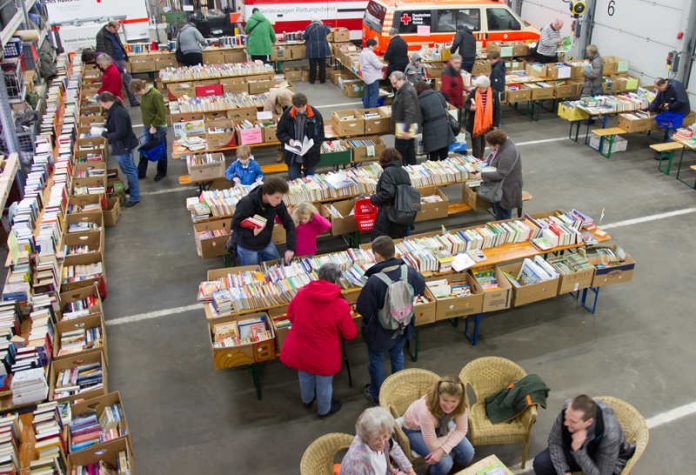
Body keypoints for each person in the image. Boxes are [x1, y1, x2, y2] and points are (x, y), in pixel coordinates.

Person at [279, 263, 357, 418]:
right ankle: (324, 410)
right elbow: (350, 333)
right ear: (336, 281)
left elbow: (291, 314)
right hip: (324, 352)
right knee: (324, 383)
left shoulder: (301, 294)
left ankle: (307, 400)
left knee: (304, 375)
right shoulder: (339, 304)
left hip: (301, 346)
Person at [356, 235, 425, 404]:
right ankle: (398, 389)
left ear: (377, 256)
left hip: (380, 330)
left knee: (377, 361)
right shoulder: (407, 271)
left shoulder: (374, 281)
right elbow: (420, 287)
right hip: (403, 324)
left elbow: (363, 308)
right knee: (397, 355)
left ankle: (377, 394)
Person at [533, 394, 636, 475]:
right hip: (579, 446)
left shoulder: (610, 436)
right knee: (541, 463)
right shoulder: (568, 411)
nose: (566, 423)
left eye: (573, 422)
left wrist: (579, 451)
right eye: (567, 418)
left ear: (588, 422)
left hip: (605, 460)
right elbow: (554, 441)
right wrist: (564, 471)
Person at [402, 376, 475, 475]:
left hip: (440, 425)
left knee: (468, 452)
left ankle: (452, 472)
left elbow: (461, 430)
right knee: (445, 463)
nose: (449, 405)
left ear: (460, 400)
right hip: (415, 430)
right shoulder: (425, 411)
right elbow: (434, 445)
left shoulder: (462, 405)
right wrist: (452, 433)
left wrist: (443, 450)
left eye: (453, 401)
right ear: (438, 395)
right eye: (445, 400)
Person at [230, 176, 296, 265]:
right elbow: (235, 226)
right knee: (252, 273)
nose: (280, 201)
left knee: (277, 267)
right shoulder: (246, 203)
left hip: (266, 242)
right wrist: (251, 233)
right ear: (266, 193)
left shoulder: (277, 203)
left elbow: (289, 223)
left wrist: (290, 248)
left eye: (281, 198)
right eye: (277, 197)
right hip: (247, 246)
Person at [340, 407, 416, 475]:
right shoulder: (357, 464)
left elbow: (393, 447)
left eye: (385, 436)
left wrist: (409, 469)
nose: (383, 443)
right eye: (377, 439)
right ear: (366, 437)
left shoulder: (381, 431)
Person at [98, 92, 140, 208]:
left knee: (129, 170)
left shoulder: (118, 113)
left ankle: (135, 197)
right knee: (129, 168)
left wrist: (105, 134)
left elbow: (121, 132)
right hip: (122, 145)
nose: (102, 106)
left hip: (123, 145)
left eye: (101, 104)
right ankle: (132, 189)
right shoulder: (115, 110)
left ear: (106, 102)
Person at [471, 129, 522, 220]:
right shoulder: (504, 146)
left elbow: (501, 174)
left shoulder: (508, 153)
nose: (490, 148)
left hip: (506, 190)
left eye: (490, 145)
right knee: (499, 210)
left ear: (497, 144)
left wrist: (482, 175)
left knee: (503, 216)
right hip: (501, 188)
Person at [276, 93, 325, 180]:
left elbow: (320, 136)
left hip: (310, 155)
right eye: (298, 108)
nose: (301, 110)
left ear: (306, 104)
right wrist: (288, 140)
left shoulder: (316, 115)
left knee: (311, 181)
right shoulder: (287, 115)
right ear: (293, 105)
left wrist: (311, 148)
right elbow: (280, 133)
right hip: (293, 155)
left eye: (303, 107)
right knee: (294, 180)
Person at [130, 79, 168, 182]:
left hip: (158, 127)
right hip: (148, 127)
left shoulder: (155, 95)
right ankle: (141, 172)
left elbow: (161, 113)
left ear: (141, 88)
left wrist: (154, 125)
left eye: (137, 92)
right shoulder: (144, 95)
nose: (137, 95)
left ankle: (161, 172)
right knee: (144, 149)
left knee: (161, 150)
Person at [370, 148, 411, 240]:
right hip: (402, 215)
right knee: (396, 242)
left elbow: (388, 193)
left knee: (380, 243)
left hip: (388, 216)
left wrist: (373, 198)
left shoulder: (388, 172)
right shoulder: (404, 172)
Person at [95, 21, 138, 106]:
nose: (117, 32)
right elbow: (101, 50)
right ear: (110, 27)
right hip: (112, 61)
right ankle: (117, 103)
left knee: (128, 79)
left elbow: (119, 44)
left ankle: (133, 101)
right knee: (116, 83)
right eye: (115, 30)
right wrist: (108, 62)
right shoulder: (101, 35)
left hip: (120, 59)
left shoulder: (114, 33)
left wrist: (125, 55)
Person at [415, 81, 454, 161]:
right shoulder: (439, 95)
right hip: (444, 129)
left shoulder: (419, 101)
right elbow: (445, 108)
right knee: (444, 156)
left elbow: (419, 119)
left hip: (430, 133)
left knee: (433, 158)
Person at [464, 76, 501, 159]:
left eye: (482, 88)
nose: (480, 89)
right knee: (476, 144)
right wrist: (471, 108)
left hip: (488, 124)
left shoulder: (493, 94)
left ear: (487, 87)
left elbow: (497, 110)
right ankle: (477, 159)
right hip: (476, 124)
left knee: (483, 142)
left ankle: (480, 158)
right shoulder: (473, 93)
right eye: (479, 87)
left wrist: (496, 124)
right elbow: (466, 105)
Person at [390, 72, 421, 166]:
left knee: (402, 153)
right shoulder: (404, 89)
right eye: (392, 83)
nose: (393, 86)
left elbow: (409, 112)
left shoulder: (406, 92)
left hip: (404, 128)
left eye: (395, 83)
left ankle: (404, 172)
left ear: (402, 80)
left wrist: (406, 130)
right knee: (409, 151)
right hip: (404, 126)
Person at [303, 17, 331, 84]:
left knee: (312, 66)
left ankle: (312, 80)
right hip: (322, 48)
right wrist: (322, 24)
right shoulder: (324, 27)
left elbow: (304, 37)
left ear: (312, 21)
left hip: (312, 49)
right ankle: (322, 80)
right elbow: (329, 30)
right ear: (319, 21)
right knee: (322, 66)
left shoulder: (308, 28)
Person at [441, 54, 464, 129]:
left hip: (458, 103)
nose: (458, 65)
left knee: (457, 125)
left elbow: (458, 84)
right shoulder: (447, 73)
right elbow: (445, 91)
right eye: (456, 63)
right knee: (453, 126)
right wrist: (452, 107)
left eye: (459, 63)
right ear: (451, 62)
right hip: (452, 106)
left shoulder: (456, 70)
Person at [359, 39, 384, 108]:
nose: (375, 47)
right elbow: (378, 65)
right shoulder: (370, 54)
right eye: (375, 46)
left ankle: (366, 109)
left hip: (366, 77)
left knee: (367, 94)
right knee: (374, 95)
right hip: (373, 77)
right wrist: (383, 64)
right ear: (370, 46)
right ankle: (372, 111)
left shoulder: (362, 53)